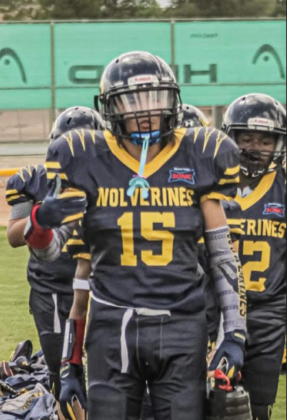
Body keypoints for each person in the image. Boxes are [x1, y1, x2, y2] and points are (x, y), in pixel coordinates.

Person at [28, 51, 246, 419]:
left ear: (172, 100)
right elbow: (51, 253)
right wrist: (39, 223)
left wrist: (235, 331)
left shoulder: (201, 154)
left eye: (154, 99)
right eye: (132, 101)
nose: (145, 111)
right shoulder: (86, 157)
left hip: (181, 323)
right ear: (111, 106)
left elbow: (223, 256)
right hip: (113, 325)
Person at [4, 106, 104, 407]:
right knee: (62, 376)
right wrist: (43, 216)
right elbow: (12, 236)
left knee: (107, 376)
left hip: (101, 287)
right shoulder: (36, 180)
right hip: (54, 289)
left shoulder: (113, 180)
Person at [221, 93, 286, 420]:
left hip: (268, 312)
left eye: (265, 140)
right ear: (231, 138)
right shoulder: (213, 183)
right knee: (211, 401)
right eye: (247, 138)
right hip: (217, 311)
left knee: (257, 408)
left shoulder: (283, 187)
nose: (255, 147)